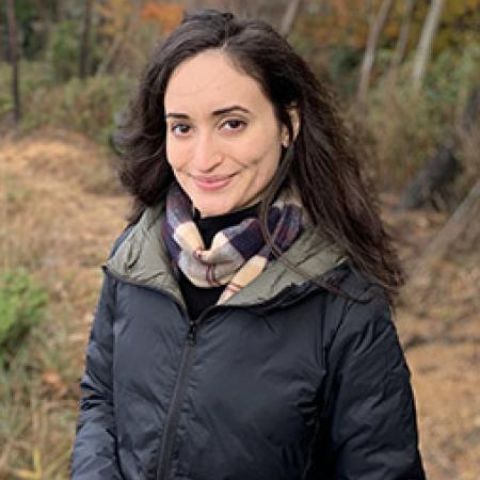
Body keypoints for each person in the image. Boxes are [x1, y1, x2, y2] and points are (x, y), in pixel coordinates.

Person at [71, 9, 426, 480]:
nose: (203, 159)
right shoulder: (136, 256)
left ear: (287, 124)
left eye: (232, 123)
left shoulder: (344, 304)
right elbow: (101, 399)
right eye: (182, 127)